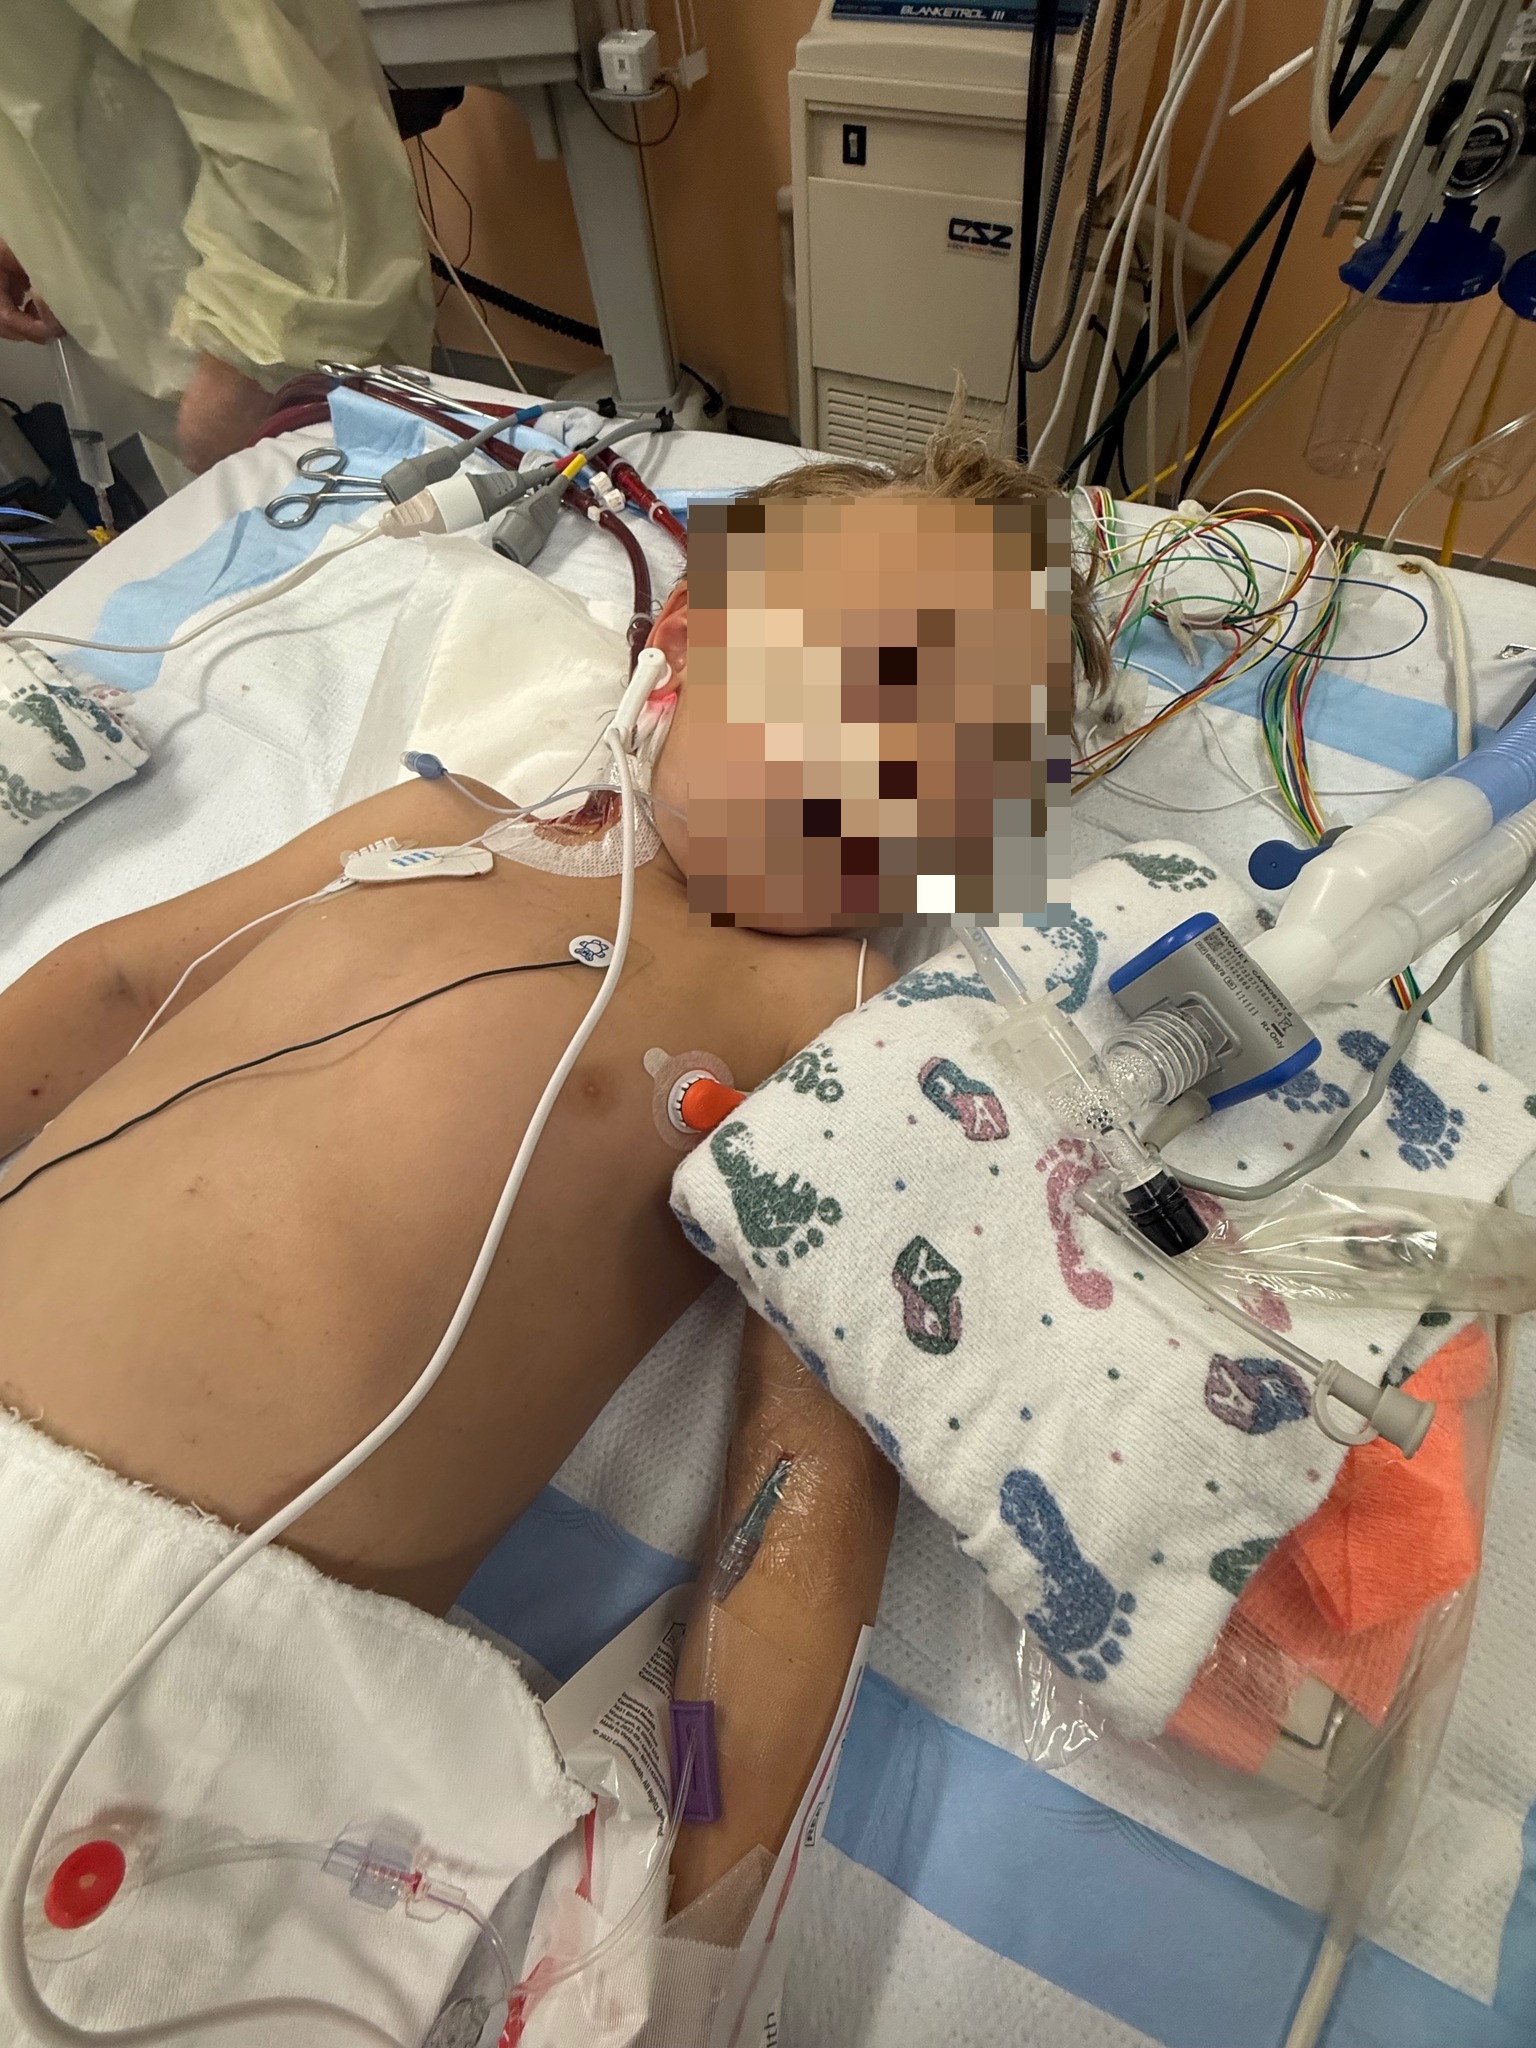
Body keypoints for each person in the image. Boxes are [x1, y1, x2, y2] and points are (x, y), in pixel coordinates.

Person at [0, 431, 1106, 1982]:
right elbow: (119, 979)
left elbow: (794, 1495)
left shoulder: (842, 1033)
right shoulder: (430, 826)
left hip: (189, 1684)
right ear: (691, 643)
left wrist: (692, 1929)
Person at [0, 0, 432, 474]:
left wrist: (248, 362)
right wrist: (26, 228)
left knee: (379, 499)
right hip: (168, 345)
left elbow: (280, 117)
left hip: (268, 345)